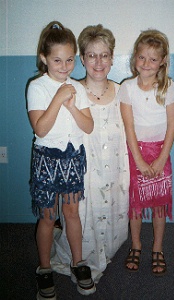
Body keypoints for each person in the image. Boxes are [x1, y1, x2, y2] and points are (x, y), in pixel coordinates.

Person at [51, 24, 129, 282]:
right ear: (82, 59)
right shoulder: (71, 92)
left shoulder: (122, 92)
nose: (98, 61)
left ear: (111, 58)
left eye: (104, 55)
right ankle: (80, 258)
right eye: (92, 55)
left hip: (116, 168)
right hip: (83, 172)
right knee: (82, 218)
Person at [27, 21, 96, 299]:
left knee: (71, 213)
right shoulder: (38, 86)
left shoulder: (77, 88)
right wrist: (58, 98)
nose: (65, 66)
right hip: (46, 160)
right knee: (47, 216)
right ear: (44, 58)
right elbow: (41, 129)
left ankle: (78, 263)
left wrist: (71, 103)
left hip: (72, 158)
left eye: (69, 60)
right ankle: (44, 268)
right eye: (57, 60)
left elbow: (88, 126)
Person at [118, 29, 174, 275]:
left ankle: (157, 248)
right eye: (142, 57)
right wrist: (140, 161)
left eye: (153, 59)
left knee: (159, 205)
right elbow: (129, 127)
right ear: (135, 58)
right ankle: (136, 244)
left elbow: (173, 124)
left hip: (161, 152)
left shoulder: (169, 86)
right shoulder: (127, 88)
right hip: (136, 152)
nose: (146, 63)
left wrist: (162, 157)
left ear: (163, 61)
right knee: (136, 204)